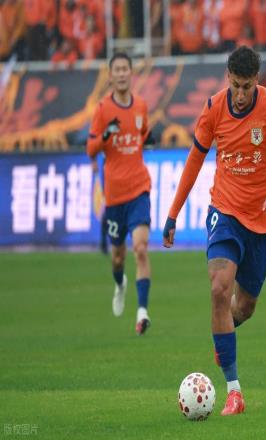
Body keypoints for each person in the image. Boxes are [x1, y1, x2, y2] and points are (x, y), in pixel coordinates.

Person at [162, 46, 266, 415]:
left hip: (261, 220)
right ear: (228, 78)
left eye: (247, 87)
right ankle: (234, 391)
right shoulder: (213, 109)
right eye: (235, 85)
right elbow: (194, 162)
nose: (240, 95)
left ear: (257, 80)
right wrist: (173, 213)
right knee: (219, 288)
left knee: (245, 306)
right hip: (224, 212)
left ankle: (223, 335)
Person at [87, 52, 154, 336]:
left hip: (139, 189)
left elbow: (143, 134)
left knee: (141, 248)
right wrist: (106, 135)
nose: (122, 73)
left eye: (126, 68)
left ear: (131, 73)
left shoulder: (141, 106)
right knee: (118, 257)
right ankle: (120, 284)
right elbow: (91, 149)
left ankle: (142, 312)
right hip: (114, 197)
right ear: (110, 75)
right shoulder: (102, 110)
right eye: (117, 69)